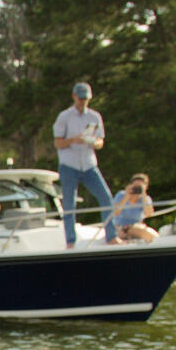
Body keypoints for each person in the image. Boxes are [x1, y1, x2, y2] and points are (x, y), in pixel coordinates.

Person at [53, 82, 117, 248]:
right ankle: (70, 241)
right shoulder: (64, 117)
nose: (83, 102)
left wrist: (94, 142)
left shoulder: (94, 117)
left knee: (106, 197)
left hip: (89, 164)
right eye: (80, 98)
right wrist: (75, 139)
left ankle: (111, 236)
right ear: (74, 97)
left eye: (85, 99)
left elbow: (101, 141)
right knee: (69, 204)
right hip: (69, 165)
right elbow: (58, 143)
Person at [109, 173, 157, 242]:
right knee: (145, 232)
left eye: (139, 187)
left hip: (137, 226)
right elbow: (115, 213)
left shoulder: (146, 199)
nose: (137, 189)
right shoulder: (121, 195)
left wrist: (143, 194)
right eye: (135, 186)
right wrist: (127, 196)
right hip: (120, 227)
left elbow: (149, 213)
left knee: (150, 234)